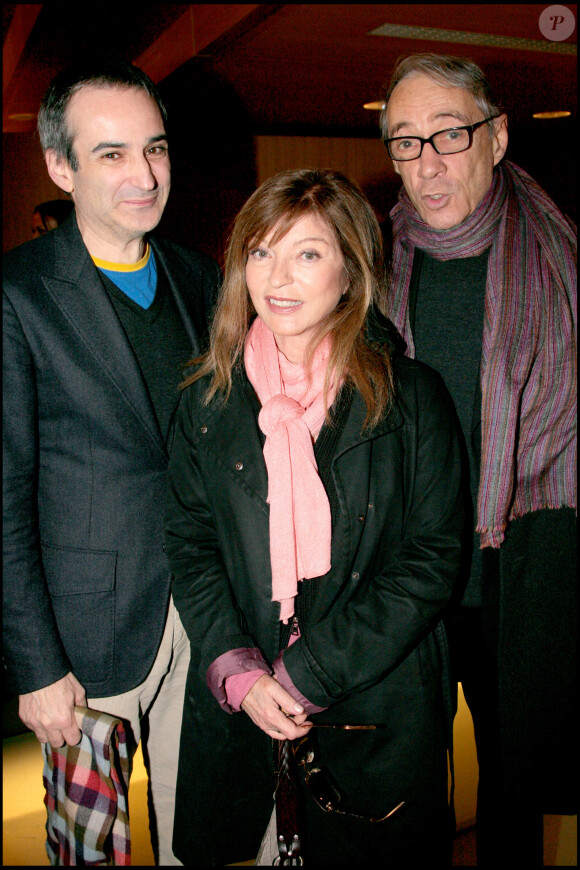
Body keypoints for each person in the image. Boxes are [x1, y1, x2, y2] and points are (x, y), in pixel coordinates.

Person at [164, 168, 465, 866]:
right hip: (245, 708)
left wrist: (308, 674)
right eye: (261, 252)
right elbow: (191, 543)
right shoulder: (207, 399)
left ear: (350, 274)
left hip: (374, 700)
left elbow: (431, 561)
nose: (277, 277)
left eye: (307, 253)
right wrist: (241, 671)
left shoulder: (412, 399)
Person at [3, 58, 220, 865]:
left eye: (155, 149)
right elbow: (4, 494)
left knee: (199, 832)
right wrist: (36, 666)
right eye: (112, 153)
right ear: (61, 167)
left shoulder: (201, 278)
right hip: (85, 643)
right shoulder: (17, 295)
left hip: (203, 618)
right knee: (90, 850)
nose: (143, 175)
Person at [379, 53, 577, 864]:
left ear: (496, 137)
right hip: (404, 569)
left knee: (515, 788)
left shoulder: (564, 262)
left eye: (448, 135)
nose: (426, 163)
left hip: (522, 571)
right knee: (406, 782)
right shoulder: (368, 263)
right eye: (404, 141)